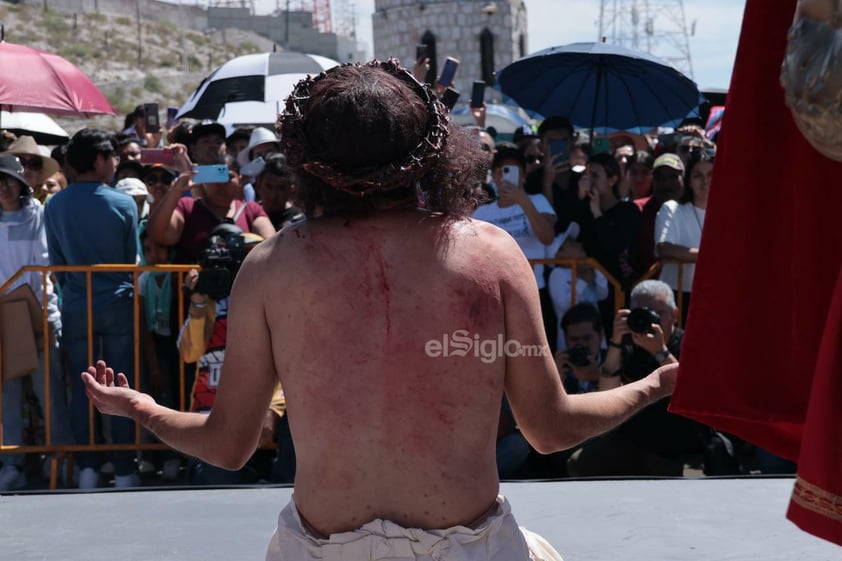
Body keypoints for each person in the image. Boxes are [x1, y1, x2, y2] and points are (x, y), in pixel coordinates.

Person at [81, 59, 677, 561]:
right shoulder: (492, 254)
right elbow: (550, 429)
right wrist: (653, 384)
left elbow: (229, 445)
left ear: (310, 160)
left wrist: (142, 409)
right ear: (431, 152)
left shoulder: (272, 266)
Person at [44, 129, 141, 489]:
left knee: (82, 385)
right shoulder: (124, 204)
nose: (116, 164)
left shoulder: (55, 204)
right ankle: (125, 467)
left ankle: (87, 466)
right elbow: (130, 258)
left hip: (76, 304)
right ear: (100, 160)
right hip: (117, 302)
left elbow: (56, 261)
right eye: (113, 157)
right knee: (120, 384)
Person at [567, 280, 704, 477]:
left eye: (658, 313)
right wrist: (615, 342)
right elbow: (607, 394)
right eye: (643, 313)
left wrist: (661, 353)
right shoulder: (627, 346)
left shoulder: (689, 344)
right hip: (631, 440)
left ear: (675, 315)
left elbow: (692, 396)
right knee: (579, 463)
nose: (651, 321)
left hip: (679, 447)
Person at [0, 154, 74, 490]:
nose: (2, 187)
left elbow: (43, 270)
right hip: (3, 319)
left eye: (8, 180)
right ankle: (11, 462)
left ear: (20, 183)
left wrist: (45, 315)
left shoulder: (39, 215)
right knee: (9, 396)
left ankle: (59, 456)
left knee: (49, 393)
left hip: (38, 315)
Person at [655, 150, 714, 320]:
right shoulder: (673, 209)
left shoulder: (728, 212)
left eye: (710, 174)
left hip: (715, 293)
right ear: (689, 180)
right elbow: (664, 248)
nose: (705, 181)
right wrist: (707, 256)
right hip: (679, 295)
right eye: (698, 175)